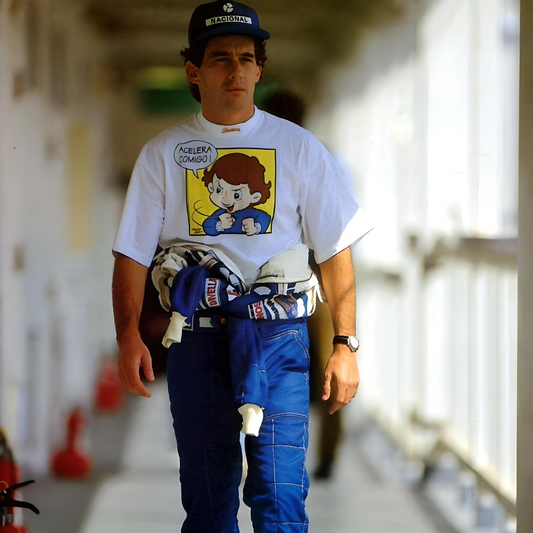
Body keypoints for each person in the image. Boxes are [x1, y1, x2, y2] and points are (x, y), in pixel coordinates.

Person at [112, 1, 372, 531]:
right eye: (220, 58)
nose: (235, 70)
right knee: (208, 501)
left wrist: (345, 344)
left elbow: (335, 248)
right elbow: (132, 253)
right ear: (194, 71)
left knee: (280, 496)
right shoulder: (163, 153)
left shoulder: (300, 148)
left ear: (259, 69)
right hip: (197, 338)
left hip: (279, 338)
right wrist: (127, 337)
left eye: (247, 58)